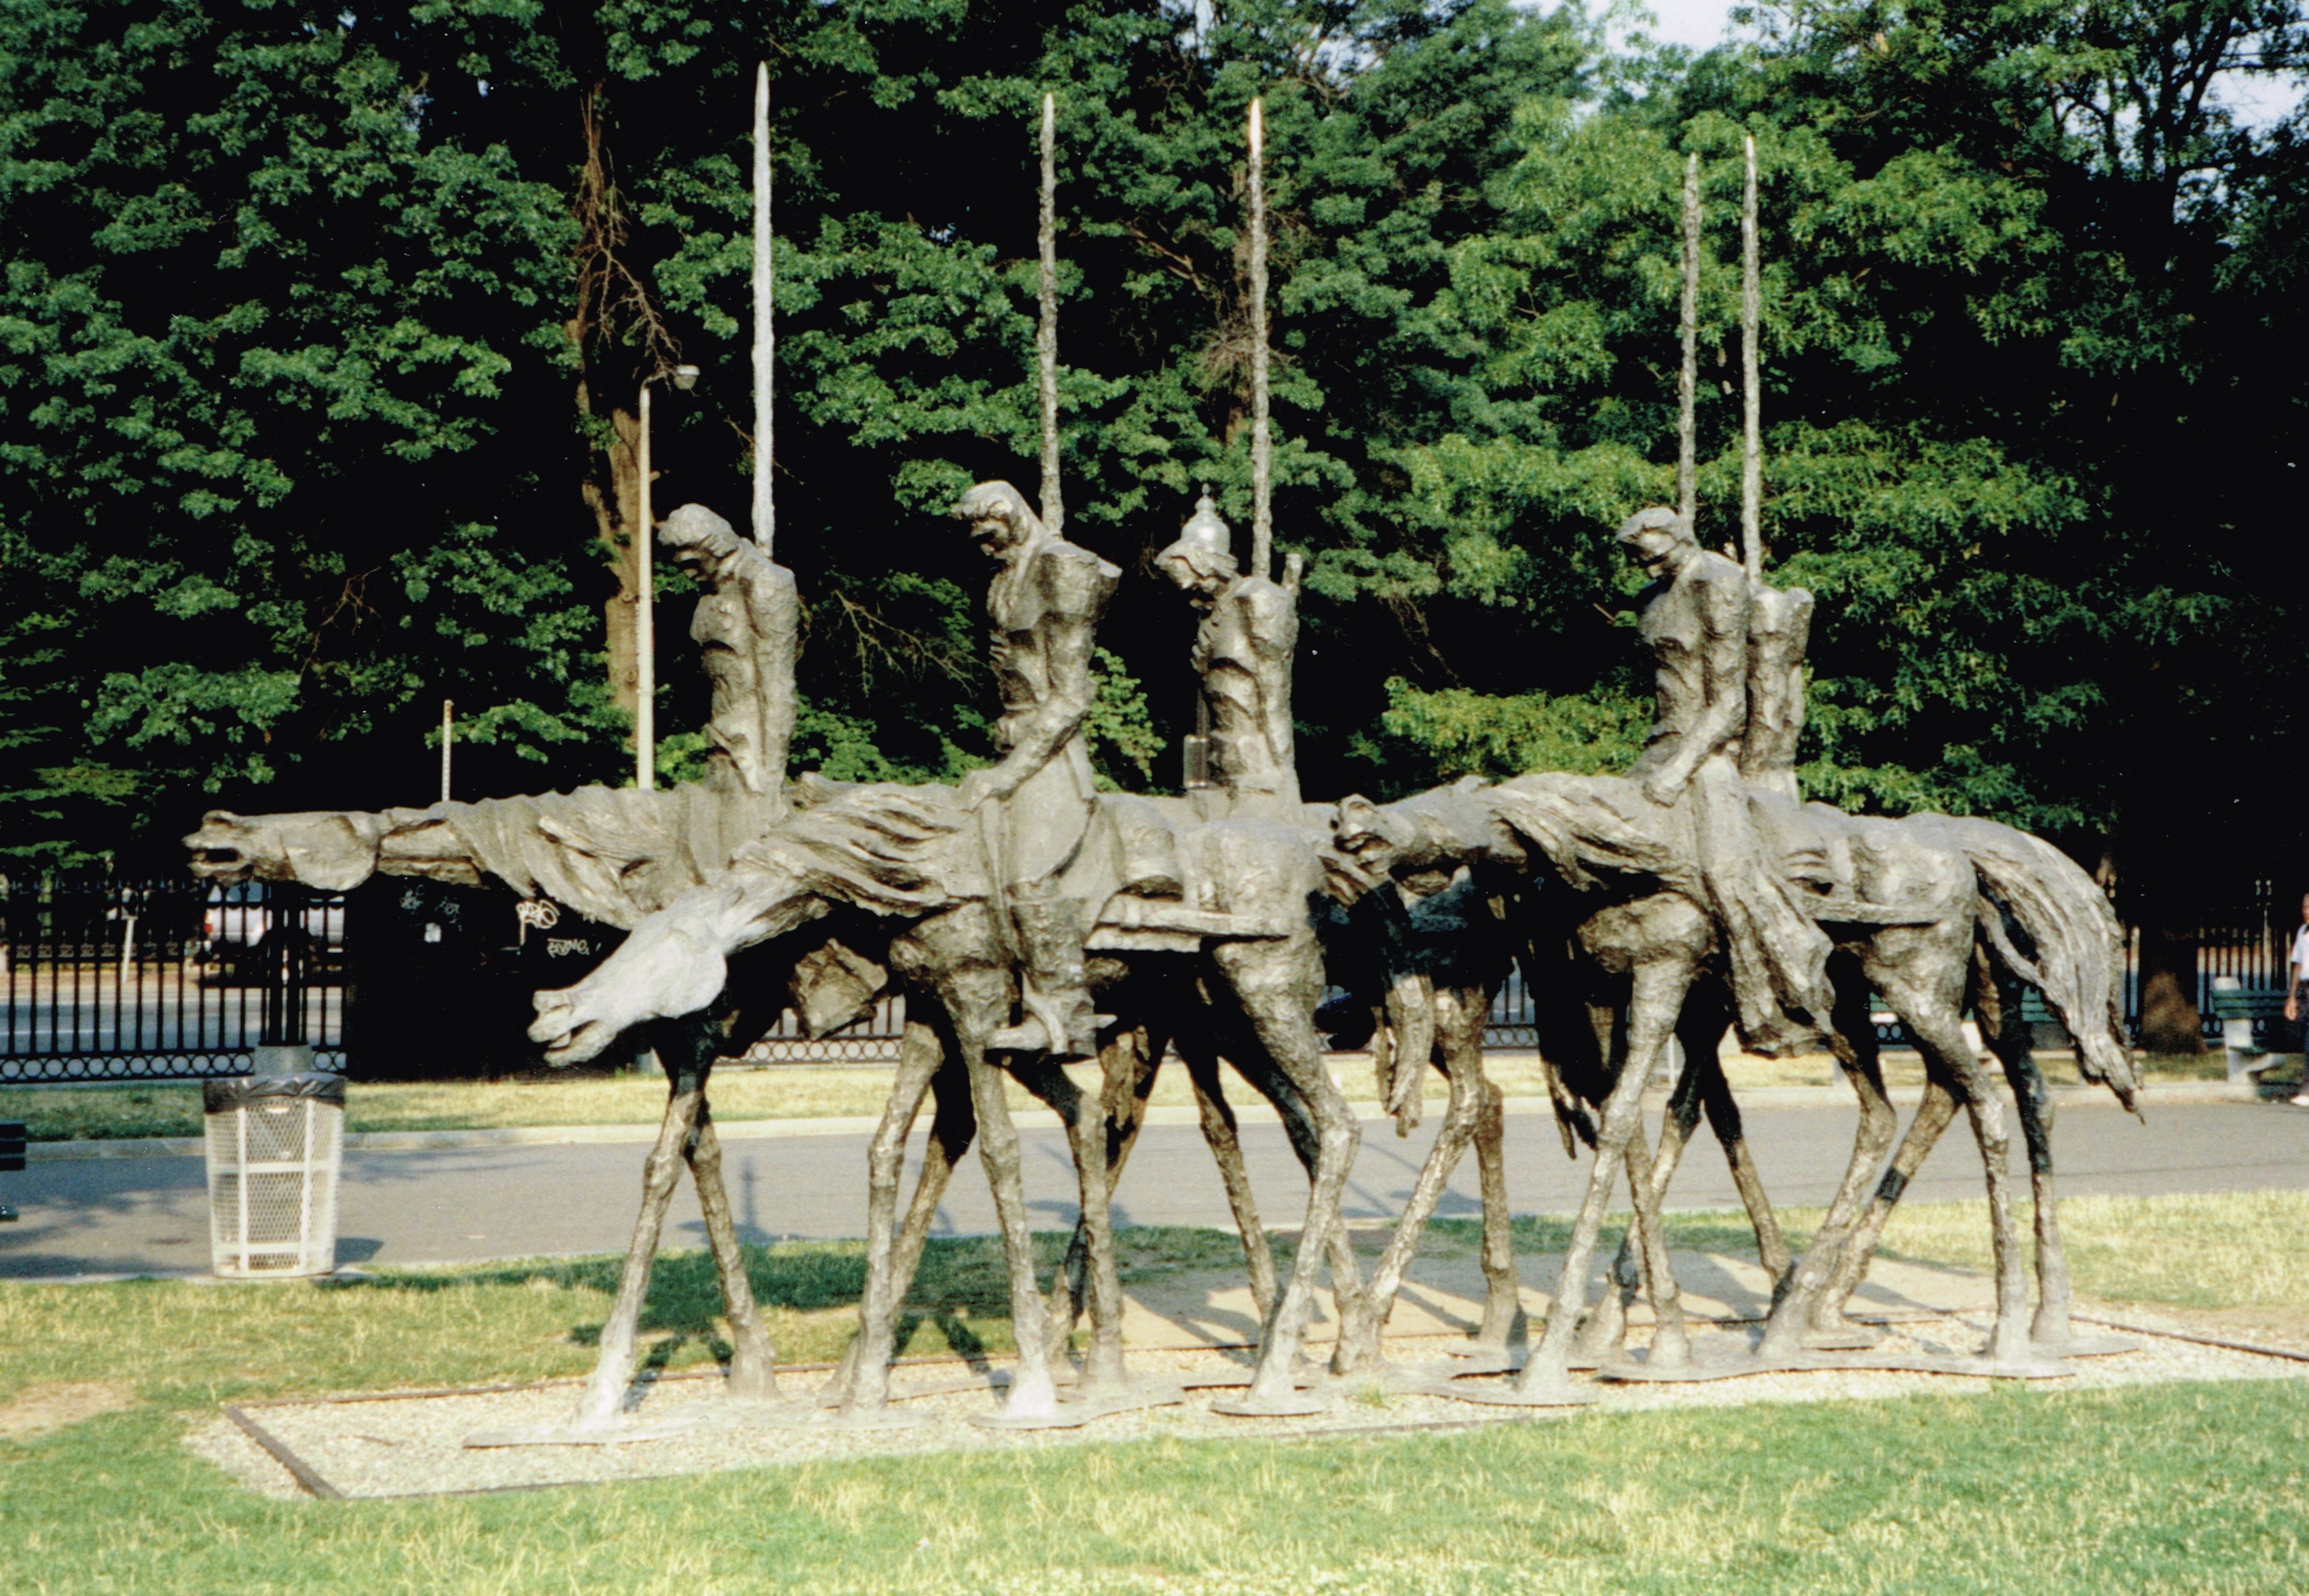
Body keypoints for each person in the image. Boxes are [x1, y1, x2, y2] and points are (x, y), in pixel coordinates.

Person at [1615, 506, 1832, 1056]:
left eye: (1654, 556)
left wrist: (1680, 768)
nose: (1646, 569)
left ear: (1678, 540)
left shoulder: (1717, 580)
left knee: (1728, 872)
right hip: (1657, 748)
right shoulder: (1649, 599)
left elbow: (1730, 701)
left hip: (1709, 751)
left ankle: (1776, 994)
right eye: (1638, 560)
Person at [951, 480, 1121, 1059]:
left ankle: (1064, 1015)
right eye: (976, 539)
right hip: (1014, 742)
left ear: (1012, 517)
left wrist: (1008, 773)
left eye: (989, 534)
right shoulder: (1005, 576)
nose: (984, 548)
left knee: (1028, 875)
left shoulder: (1063, 567)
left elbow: (1071, 698)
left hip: (1051, 756)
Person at [1153, 491, 1301, 815]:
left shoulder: (1256, 598)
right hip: (1225, 756)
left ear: (1208, 565)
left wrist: (1283, 768)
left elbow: (1275, 690)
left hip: (1259, 757)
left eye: (1191, 580)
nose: (1186, 590)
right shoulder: (1209, 616)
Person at [659, 504, 798, 829]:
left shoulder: (764, 582)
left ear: (716, 548)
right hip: (720, 736)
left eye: (692, 562)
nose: (688, 573)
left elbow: (777, 685)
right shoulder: (712, 587)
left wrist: (773, 779)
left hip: (750, 750)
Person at [2287, 891, 2309, 1107]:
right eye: (2304, 907)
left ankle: (2307, 1089)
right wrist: (2292, 997)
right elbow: (2297, 965)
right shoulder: (2302, 932)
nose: (2306, 912)